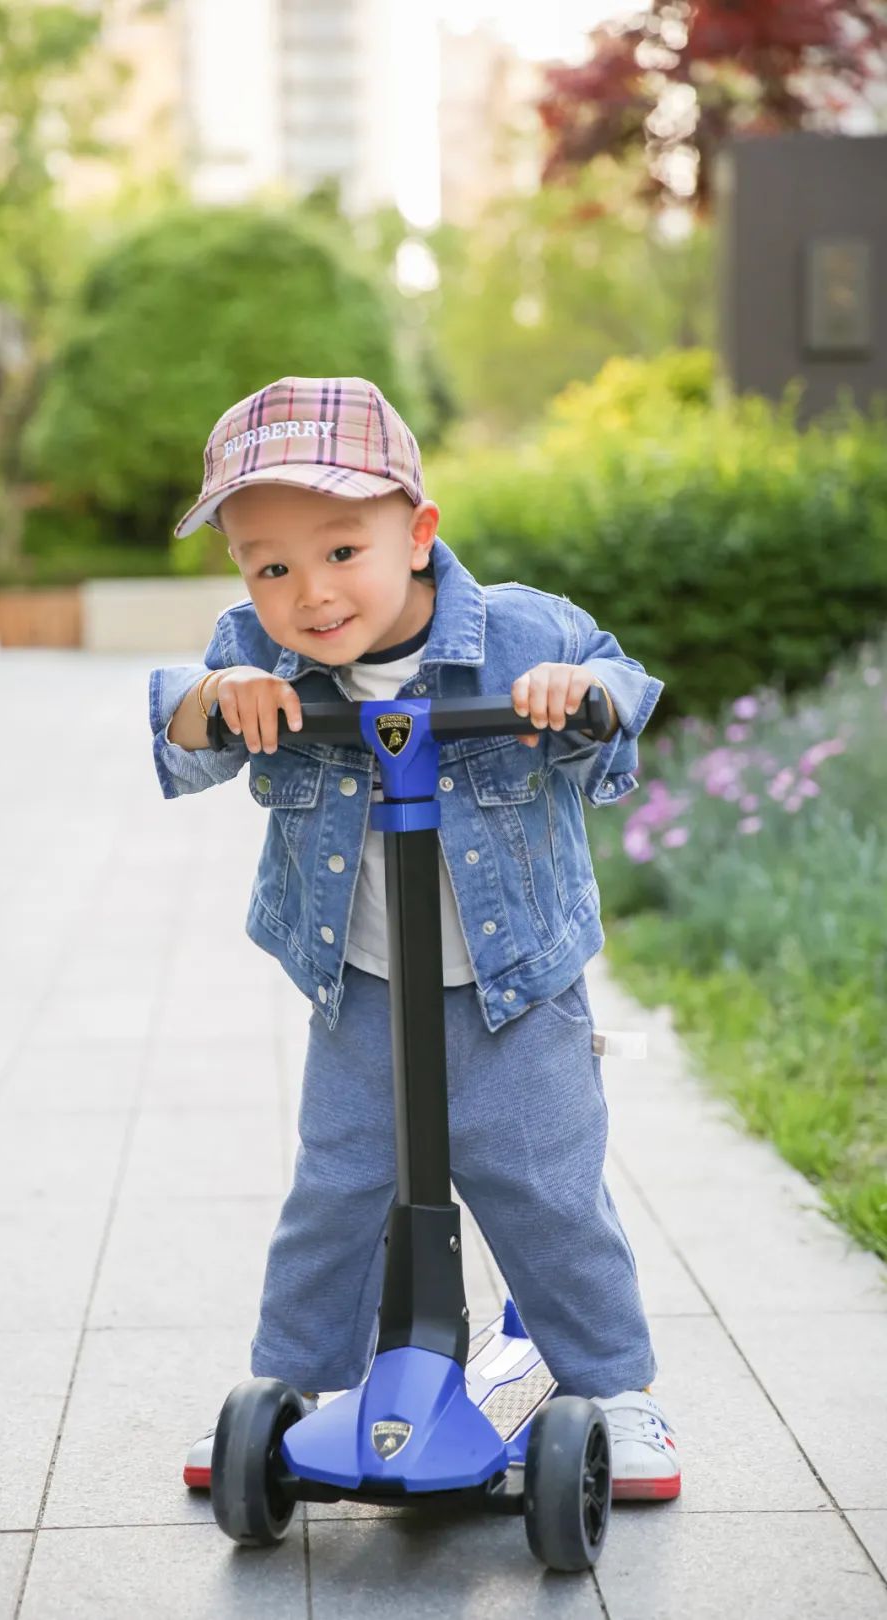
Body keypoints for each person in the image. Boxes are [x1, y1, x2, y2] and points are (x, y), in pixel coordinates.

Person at [150, 376, 681, 1503]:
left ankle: (619, 1392)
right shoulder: (255, 650)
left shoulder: (523, 632)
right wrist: (219, 697)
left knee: (542, 1185)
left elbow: (620, 699)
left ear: (420, 533)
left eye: (342, 550)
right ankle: (290, 1386)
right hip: (365, 985)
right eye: (270, 565)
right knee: (337, 1187)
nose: (309, 593)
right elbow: (181, 727)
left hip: (515, 990)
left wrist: (577, 693)